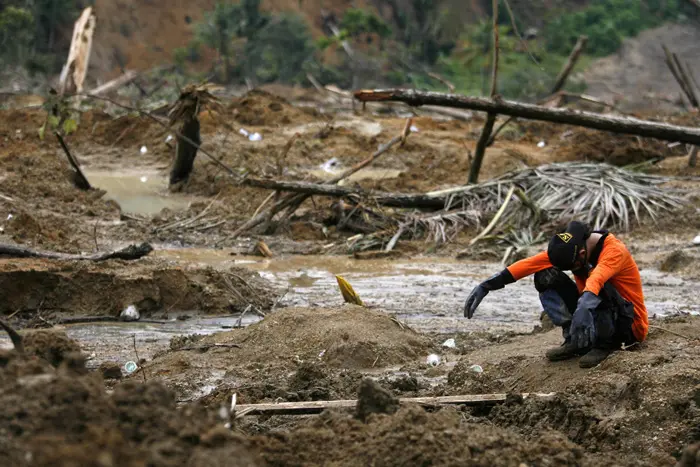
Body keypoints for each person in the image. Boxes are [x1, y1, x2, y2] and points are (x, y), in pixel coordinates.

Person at [463, 220, 648, 368]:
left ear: (582, 253)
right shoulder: (571, 247)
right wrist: (487, 285)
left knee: (597, 285)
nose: (573, 271)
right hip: (593, 310)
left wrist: (583, 307)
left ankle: (606, 345)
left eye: (572, 268)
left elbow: (597, 279)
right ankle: (574, 339)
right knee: (545, 275)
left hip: (629, 325)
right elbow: (529, 264)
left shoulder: (614, 251)